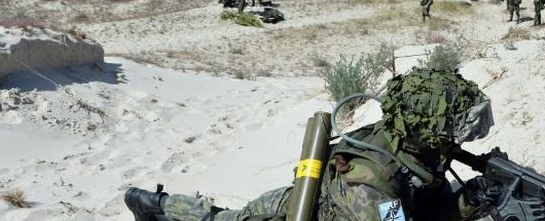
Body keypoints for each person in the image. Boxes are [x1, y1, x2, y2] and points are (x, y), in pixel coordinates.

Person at [124, 69, 498, 221]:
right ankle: (154, 204)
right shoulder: (372, 187)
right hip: (287, 212)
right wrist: (465, 207)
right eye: (456, 128)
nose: (459, 139)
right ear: (427, 129)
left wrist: (475, 198)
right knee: (220, 219)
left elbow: (427, 208)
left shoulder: (412, 145)